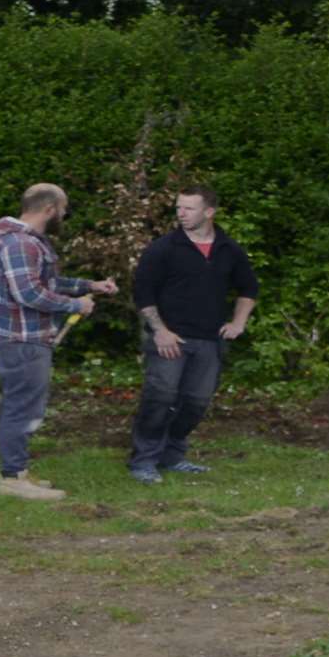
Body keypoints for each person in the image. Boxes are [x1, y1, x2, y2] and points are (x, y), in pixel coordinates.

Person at [0, 183, 117, 500]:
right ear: (48, 209)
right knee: (21, 408)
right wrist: (76, 305)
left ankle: (18, 472)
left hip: (27, 338)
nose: (64, 214)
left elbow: (48, 282)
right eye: (63, 208)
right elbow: (28, 293)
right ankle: (12, 479)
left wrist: (90, 286)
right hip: (21, 339)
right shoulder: (18, 244)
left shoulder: (30, 242)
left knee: (26, 405)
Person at [126, 185, 259, 483]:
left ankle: (172, 456)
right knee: (160, 397)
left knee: (196, 402)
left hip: (209, 341)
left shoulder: (229, 250)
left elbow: (248, 289)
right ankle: (143, 461)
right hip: (170, 339)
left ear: (209, 212)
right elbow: (143, 294)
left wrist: (238, 322)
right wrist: (160, 332)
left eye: (189, 208)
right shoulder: (163, 248)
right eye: (178, 208)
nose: (181, 214)